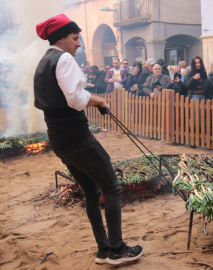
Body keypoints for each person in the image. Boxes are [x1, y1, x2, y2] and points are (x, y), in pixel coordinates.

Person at [33, 14, 142, 265]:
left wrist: (95, 101)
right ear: (61, 38)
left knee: (91, 191)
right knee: (112, 187)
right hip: (76, 138)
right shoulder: (63, 59)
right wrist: (100, 100)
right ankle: (117, 250)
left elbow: (63, 97)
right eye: (74, 37)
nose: (79, 43)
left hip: (59, 140)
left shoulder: (43, 61)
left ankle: (103, 249)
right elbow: (75, 97)